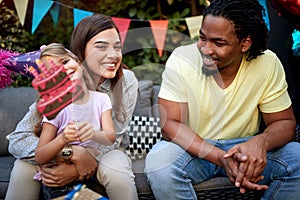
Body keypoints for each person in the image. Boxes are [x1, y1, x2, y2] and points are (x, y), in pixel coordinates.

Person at [144, 0, 300, 199]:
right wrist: (220, 157)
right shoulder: (182, 59)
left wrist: (260, 143)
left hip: (245, 148)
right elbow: (170, 124)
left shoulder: (267, 63)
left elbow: (284, 122)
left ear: (245, 44)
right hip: (195, 149)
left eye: (218, 43)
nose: (206, 49)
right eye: (202, 38)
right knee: (160, 163)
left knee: (297, 157)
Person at [6, 14, 139, 200]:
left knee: (117, 167)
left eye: (117, 47)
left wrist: (77, 167)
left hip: (103, 154)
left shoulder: (126, 82)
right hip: (58, 150)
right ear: (80, 53)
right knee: (22, 167)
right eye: (101, 47)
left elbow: (113, 138)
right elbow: (18, 140)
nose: (113, 55)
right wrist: (70, 153)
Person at [33, 43, 116, 199]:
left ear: (78, 62)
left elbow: (111, 136)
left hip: (90, 176)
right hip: (59, 183)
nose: (63, 70)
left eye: (65, 62)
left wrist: (93, 134)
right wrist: (63, 138)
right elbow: (40, 155)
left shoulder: (102, 99)